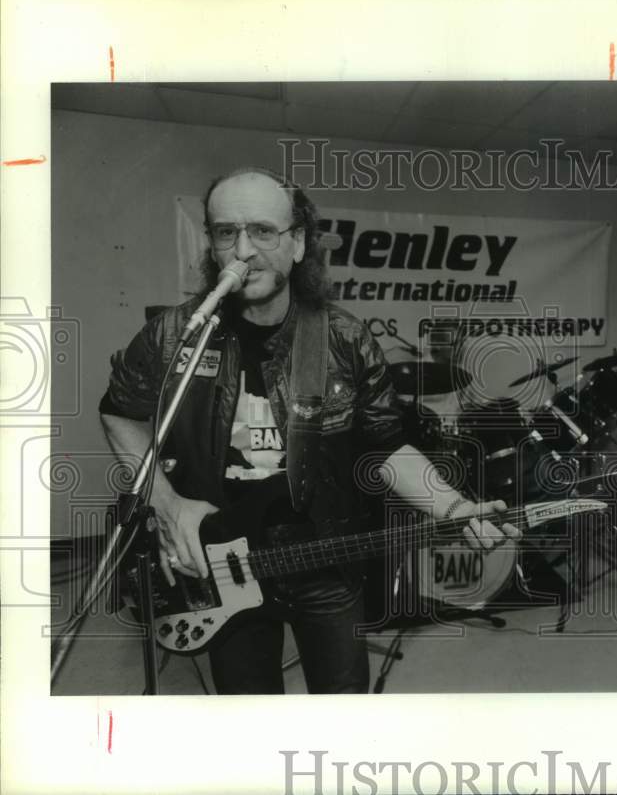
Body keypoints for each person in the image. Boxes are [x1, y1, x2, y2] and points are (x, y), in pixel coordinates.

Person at [100, 167, 515, 694]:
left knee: (340, 708)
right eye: (227, 232)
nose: (243, 250)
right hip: (219, 561)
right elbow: (121, 411)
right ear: (211, 244)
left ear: (297, 244)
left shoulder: (342, 338)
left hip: (324, 560)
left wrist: (455, 507)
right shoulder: (172, 335)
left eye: (263, 232)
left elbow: (387, 447)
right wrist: (166, 502)